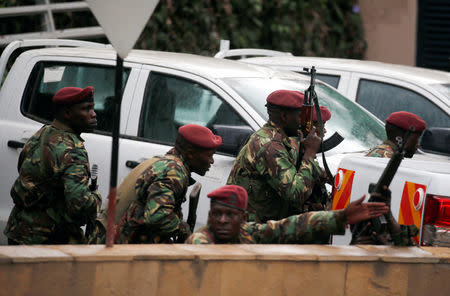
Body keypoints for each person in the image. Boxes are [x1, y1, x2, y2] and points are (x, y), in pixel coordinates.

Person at [4, 86, 102, 245]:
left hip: (18, 231)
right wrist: (96, 197)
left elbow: (24, 168)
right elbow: (81, 206)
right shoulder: (72, 151)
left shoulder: (44, 132)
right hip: (48, 242)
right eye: (86, 109)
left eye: (92, 108)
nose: (93, 114)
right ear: (68, 114)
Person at [227, 90, 325, 223]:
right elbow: (296, 193)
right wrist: (310, 153)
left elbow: (296, 171)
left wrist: (326, 176)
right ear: (284, 116)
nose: (304, 122)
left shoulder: (282, 139)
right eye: (301, 116)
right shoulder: (269, 145)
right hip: (247, 229)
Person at [115, 124, 222, 244]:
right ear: (190, 154)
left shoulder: (169, 162)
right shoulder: (173, 172)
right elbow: (157, 217)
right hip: (118, 247)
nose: (212, 161)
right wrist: (184, 230)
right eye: (210, 156)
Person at [185, 185, 389, 244]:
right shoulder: (200, 241)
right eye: (216, 214)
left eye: (230, 215)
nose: (221, 220)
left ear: (244, 218)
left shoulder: (248, 233)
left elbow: (292, 226)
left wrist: (340, 217)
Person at [352, 111, 426, 246]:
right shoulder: (386, 159)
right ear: (402, 138)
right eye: (417, 138)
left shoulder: (379, 152)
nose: (418, 144)